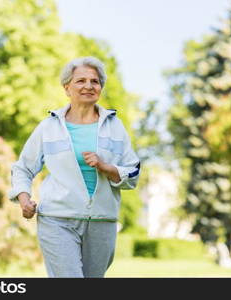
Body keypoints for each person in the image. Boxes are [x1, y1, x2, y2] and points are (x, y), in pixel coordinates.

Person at [8, 56, 140, 278]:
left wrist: (106, 167)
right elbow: (23, 168)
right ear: (67, 88)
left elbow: (133, 171)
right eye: (81, 81)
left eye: (95, 81)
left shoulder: (114, 126)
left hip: (102, 220)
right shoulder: (49, 127)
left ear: (100, 88)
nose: (88, 86)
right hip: (57, 218)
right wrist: (23, 199)